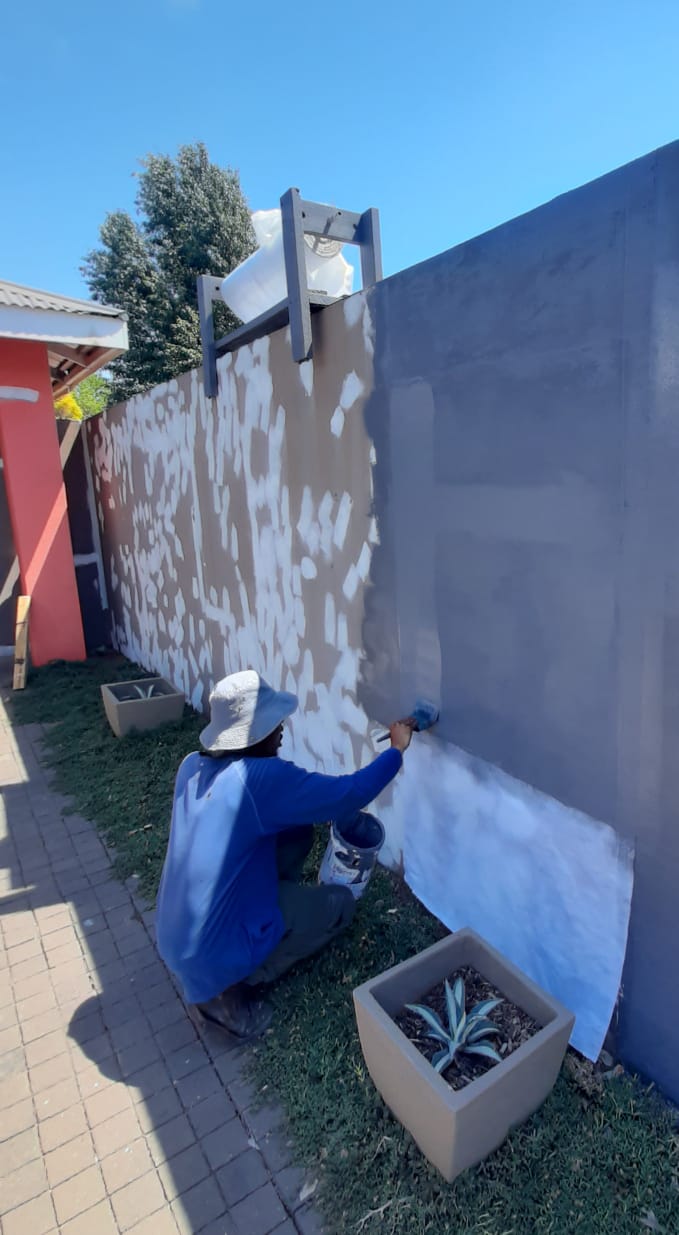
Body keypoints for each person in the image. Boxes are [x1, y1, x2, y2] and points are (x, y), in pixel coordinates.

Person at [155, 669, 413, 1040]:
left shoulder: (192, 766)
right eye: (274, 723)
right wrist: (396, 751)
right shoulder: (259, 780)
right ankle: (226, 994)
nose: (282, 730)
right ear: (255, 733)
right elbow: (350, 792)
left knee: (296, 833)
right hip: (210, 952)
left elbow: (317, 806)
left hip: (176, 935)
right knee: (339, 905)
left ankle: (253, 931)